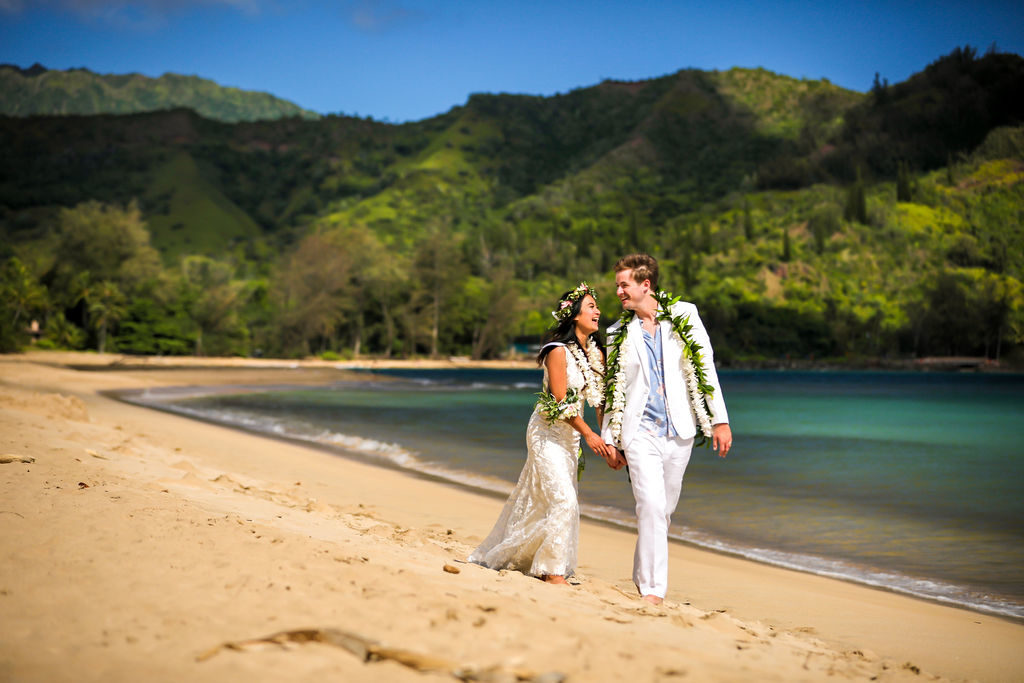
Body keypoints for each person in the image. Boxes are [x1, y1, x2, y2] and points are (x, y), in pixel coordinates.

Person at [600, 254, 732, 605]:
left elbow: (707, 368)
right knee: (651, 505)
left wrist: (720, 420)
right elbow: (615, 390)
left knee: (664, 510)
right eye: (617, 286)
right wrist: (611, 440)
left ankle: (645, 575)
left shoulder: (685, 315)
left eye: (624, 285)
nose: (619, 292)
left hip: (680, 431)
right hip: (639, 431)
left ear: (646, 285)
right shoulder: (617, 333)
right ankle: (653, 591)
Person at [469, 283, 618, 584]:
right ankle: (553, 572)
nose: (598, 311)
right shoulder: (556, 350)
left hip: (571, 437)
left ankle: (530, 559)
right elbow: (560, 400)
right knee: (564, 500)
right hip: (546, 433)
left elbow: (600, 401)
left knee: (546, 500)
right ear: (574, 315)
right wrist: (590, 435)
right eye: (591, 306)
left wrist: (611, 442)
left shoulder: (596, 355)